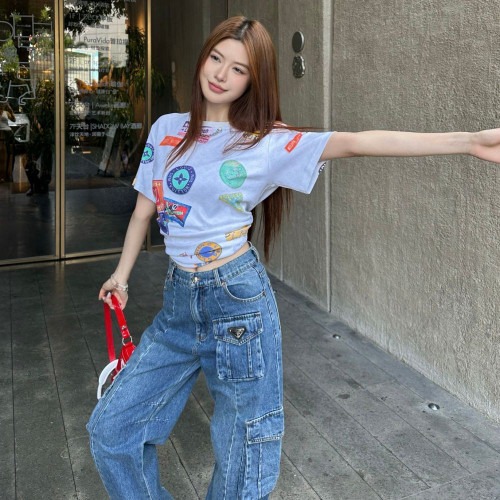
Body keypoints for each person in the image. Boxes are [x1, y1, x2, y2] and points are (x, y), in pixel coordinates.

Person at [85, 15, 500, 500]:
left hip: (236, 303)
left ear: (252, 81)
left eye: (238, 69)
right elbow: (143, 212)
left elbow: (358, 142)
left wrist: (468, 142)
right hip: (179, 304)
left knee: (242, 461)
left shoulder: (266, 140)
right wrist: (121, 277)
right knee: (112, 430)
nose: (220, 74)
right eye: (216, 58)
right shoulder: (166, 130)